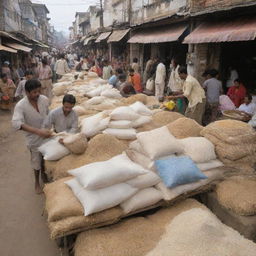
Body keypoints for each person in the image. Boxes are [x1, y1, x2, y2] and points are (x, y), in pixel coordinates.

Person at [12, 79, 51, 194]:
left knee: (45, 158)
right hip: (33, 137)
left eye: (39, 91)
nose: (37, 94)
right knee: (36, 161)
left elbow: (48, 114)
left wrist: (49, 129)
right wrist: (38, 132)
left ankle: (44, 176)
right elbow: (16, 124)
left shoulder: (44, 100)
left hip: (46, 134)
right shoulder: (21, 105)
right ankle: (36, 183)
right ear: (27, 92)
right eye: (34, 92)